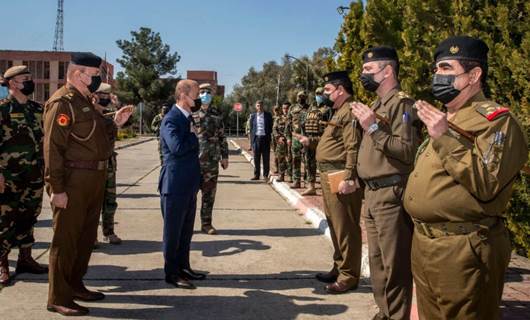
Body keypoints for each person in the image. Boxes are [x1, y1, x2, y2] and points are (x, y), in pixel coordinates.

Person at [404, 36, 528, 320]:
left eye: (446, 68)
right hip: (425, 244)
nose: (438, 76)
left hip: (463, 249)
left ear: (474, 75)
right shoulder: (448, 118)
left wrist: (443, 137)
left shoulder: (496, 121)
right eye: (436, 69)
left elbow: (486, 184)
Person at [44, 52, 132, 316]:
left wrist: (115, 123)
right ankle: (58, 297)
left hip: (94, 179)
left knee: (85, 239)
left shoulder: (86, 101)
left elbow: (95, 139)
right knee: (66, 240)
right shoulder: (62, 102)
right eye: (95, 75)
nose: (98, 81)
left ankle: (75, 285)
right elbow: (53, 149)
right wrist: (56, 188)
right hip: (73, 181)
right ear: (77, 74)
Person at [351, 46, 422, 320]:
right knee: (378, 262)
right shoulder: (378, 105)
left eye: (368, 70)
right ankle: (385, 311)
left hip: (391, 193)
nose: (363, 74)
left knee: (395, 264)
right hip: (372, 194)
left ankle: (397, 316)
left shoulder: (401, 104)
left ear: (388, 71)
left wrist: (372, 127)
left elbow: (406, 151)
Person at [314, 71, 363, 294]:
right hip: (328, 174)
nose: (325, 94)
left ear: (340, 90)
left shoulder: (350, 111)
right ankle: (339, 266)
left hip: (339, 175)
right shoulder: (339, 112)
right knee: (334, 224)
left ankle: (349, 275)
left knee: (345, 227)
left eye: (327, 90)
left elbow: (353, 147)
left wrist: (349, 176)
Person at [0, 65, 48, 286]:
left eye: (30, 78)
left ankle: (25, 259)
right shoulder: (2, 109)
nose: (30, 82)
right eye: (24, 78)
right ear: (11, 83)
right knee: (4, 220)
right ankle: (2, 264)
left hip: (34, 174)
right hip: (7, 176)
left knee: (30, 215)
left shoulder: (37, 109)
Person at [159, 79, 206, 290]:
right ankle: (172, 273)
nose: (198, 98)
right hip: (174, 185)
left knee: (186, 232)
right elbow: (177, 147)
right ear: (183, 95)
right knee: (173, 233)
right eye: (195, 94)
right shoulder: (171, 119)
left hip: (187, 184)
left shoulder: (187, 117)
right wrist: (194, 137)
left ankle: (184, 267)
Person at [192, 83, 229, 235]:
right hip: (193, 161)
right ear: (198, 94)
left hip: (211, 162)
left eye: (208, 92)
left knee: (209, 195)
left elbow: (222, 137)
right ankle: (187, 224)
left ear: (212, 95)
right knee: (189, 195)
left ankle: (206, 224)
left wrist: (225, 157)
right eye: (202, 92)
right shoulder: (192, 113)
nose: (205, 94)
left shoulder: (216, 114)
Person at [93, 83, 122, 245]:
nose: (104, 98)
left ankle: (109, 231)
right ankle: (91, 235)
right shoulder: (87, 114)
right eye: (101, 95)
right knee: (93, 201)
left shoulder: (110, 114)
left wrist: (117, 105)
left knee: (110, 199)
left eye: (107, 95)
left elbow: (128, 120)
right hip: (92, 164)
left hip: (109, 162)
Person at [297, 87, 328, 196]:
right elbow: (303, 124)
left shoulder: (328, 108)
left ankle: (326, 187)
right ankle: (311, 186)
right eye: (317, 93)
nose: (318, 95)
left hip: (322, 140)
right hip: (309, 140)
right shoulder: (311, 108)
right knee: (309, 163)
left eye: (320, 93)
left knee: (323, 164)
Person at [285, 91, 309, 188]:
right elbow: (288, 123)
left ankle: (307, 181)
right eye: (299, 96)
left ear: (306, 97)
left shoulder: (310, 108)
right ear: (297, 97)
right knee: (295, 160)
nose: (301, 98)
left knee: (307, 160)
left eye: (303, 96)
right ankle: (296, 180)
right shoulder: (292, 108)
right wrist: (288, 137)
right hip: (295, 138)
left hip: (306, 138)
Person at [249, 100, 273, 180]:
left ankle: (266, 175)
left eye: (261, 105)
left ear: (263, 106)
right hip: (256, 139)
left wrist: (270, 139)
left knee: (266, 158)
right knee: (256, 158)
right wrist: (252, 142)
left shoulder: (268, 115)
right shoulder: (253, 116)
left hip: (265, 139)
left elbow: (271, 127)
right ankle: (256, 175)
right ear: (256, 107)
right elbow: (251, 129)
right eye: (258, 105)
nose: (260, 107)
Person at [273, 102, 291, 182]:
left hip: (291, 141)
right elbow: (274, 129)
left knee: (291, 159)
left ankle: (291, 177)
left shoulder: (293, 118)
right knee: (281, 159)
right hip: (281, 141)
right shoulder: (279, 118)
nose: (285, 110)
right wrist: (278, 137)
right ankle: (281, 175)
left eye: (287, 108)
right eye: (284, 108)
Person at [271, 105, 281, 174]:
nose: (276, 111)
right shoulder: (272, 118)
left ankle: (282, 168)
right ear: (273, 111)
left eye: (277, 109)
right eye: (275, 110)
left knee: (281, 153)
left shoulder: (282, 118)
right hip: (273, 138)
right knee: (275, 153)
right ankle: (277, 168)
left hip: (280, 137)